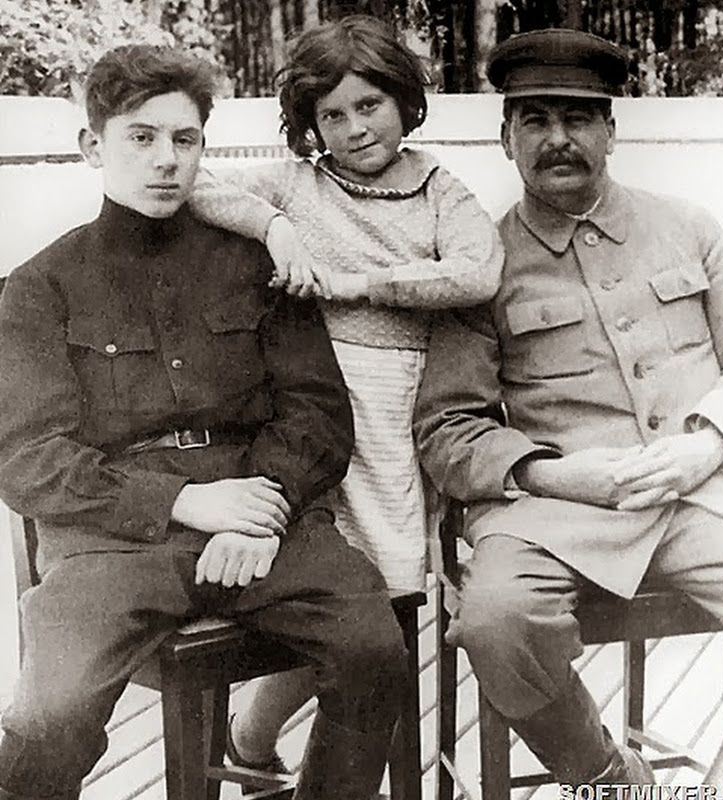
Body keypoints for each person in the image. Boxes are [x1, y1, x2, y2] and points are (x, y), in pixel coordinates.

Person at [0, 44, 408, 800]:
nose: (166, 160)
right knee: (50, 714)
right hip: (112, 541)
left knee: (373, 651)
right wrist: (183, 503)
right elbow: (26, 457)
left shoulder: (257, 265)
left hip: (263, 516)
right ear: (92, 146)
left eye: (184, 139)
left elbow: (317, 411)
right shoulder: (39, 287)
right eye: (141, 137)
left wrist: (265, 507)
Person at [413, 28, 723, 790]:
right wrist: (552, 475)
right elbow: (448, 429)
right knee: (495, 621)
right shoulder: (480, 264)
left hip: (700, 496)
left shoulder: (687, 226)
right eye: (535, 120)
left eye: (579, 118)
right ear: (505, 138)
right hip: (556, 512)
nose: (558, 138)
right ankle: (612, 780)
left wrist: (706, 446)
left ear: (612, 131)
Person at [187, 14, 503, 775]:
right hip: (311, 411)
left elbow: (477, 270)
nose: (355, 128)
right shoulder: (296, 183)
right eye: (332, 115)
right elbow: (196, 184)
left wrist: (362, 283)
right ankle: (256, 739)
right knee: (332, 597)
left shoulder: (436, 187)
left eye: (370, 105)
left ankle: (264, 744)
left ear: (404, 101)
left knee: (386, 598)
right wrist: (275, 229)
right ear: (310, 124)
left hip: (398, 413)